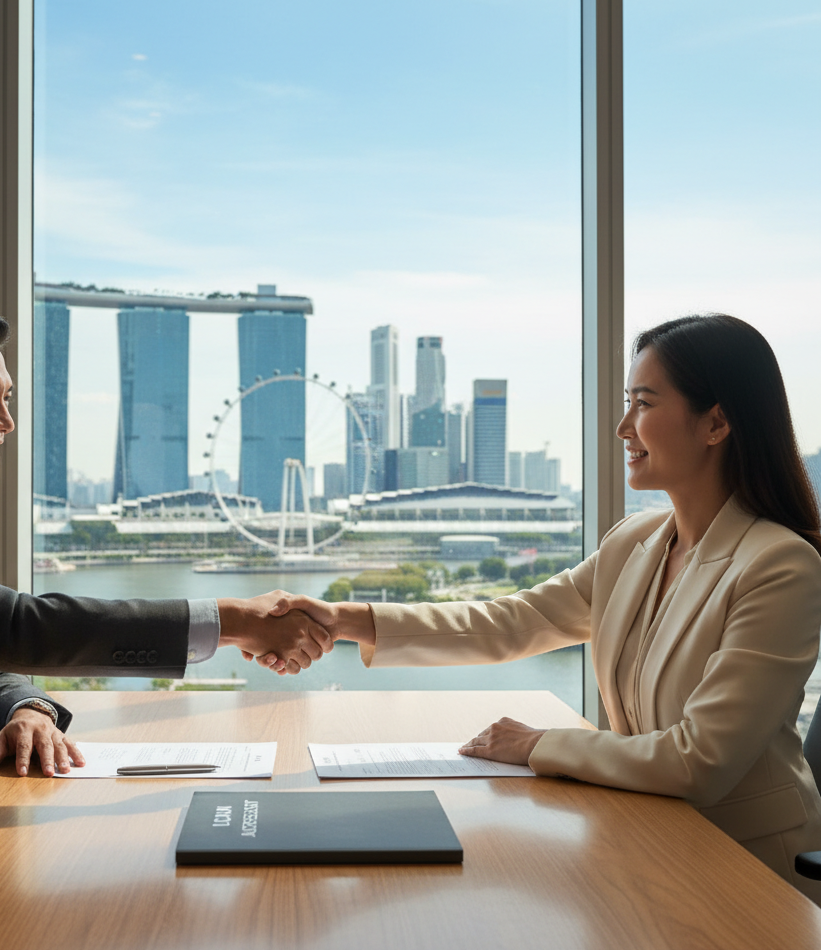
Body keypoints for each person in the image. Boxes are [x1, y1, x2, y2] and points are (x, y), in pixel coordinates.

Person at [275, 314, 821, 902]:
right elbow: (511, 622)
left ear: (716, 422)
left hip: (748, 870)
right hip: (650, 840)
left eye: (643, 403)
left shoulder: (779, 566)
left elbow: (700, 761)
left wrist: (536, 744)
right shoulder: (632, 544)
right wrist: (344, 620)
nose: (622, 427)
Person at [0, 300, 330, 860]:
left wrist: (30, 709)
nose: (5, 421)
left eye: (7, 399)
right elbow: (10, 626)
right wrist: (231, 622)